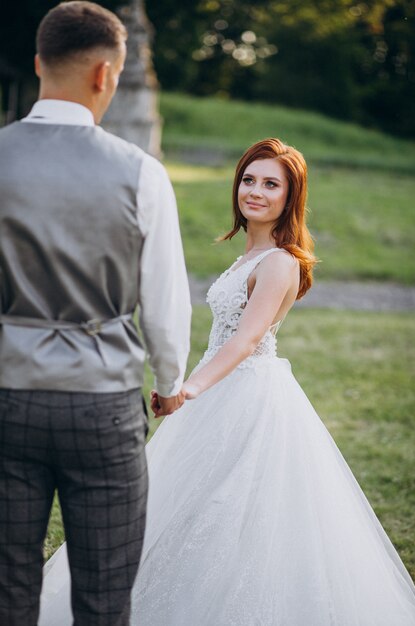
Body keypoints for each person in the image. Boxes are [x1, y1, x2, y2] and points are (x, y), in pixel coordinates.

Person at [39, 138, 415, 625]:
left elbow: (244, 341)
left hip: (248, 394)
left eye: (270, 184)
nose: (255, 191)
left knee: (233, 508)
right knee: (184, 502)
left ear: (290, 196)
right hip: (219, 389)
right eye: (248, 179)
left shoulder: (279, 261)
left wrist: (190, 389)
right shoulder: (247, 257)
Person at [0, 2, 191, 625]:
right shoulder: (140, 173)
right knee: (106, 595)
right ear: (107, 75)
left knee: (6, 588)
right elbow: (164, 303)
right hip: (102, 406)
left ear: (37, 65)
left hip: (7, 398)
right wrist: (167, 385)